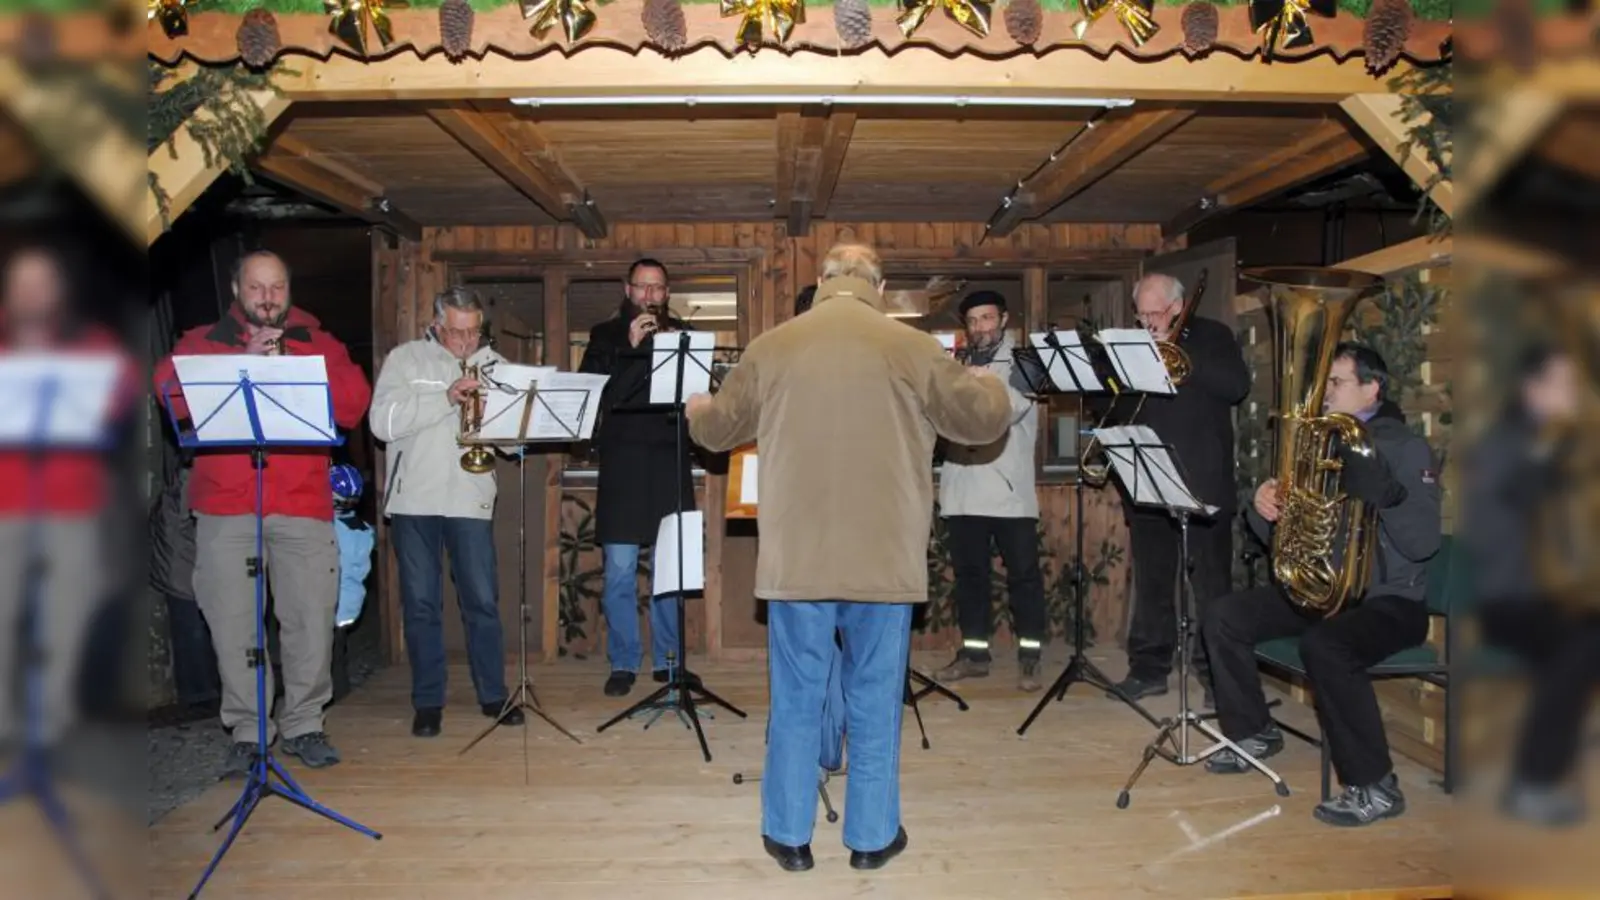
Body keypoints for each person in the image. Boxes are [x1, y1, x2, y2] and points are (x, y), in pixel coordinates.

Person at [686, 242, 1012, 872]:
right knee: (874, 697)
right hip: (882, 563)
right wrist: (990, 383)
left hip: (798, 563)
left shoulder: (773, 346)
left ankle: (788, 835)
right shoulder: (913, 348)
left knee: (798, 695)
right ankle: (870, 838)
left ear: (823, 279)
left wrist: (698, 405)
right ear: (879, 285)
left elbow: (716, 430)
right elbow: (979, 424)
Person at [1201, 343, 1440, 828]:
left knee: (1327, 647)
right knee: (1224, 617)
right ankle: (1254, 732)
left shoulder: (1404, 448)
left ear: (1372, 388)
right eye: (1326, 382)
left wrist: (1387, 496)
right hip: (1324, 591)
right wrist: (1263, 509)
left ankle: (1375, 785)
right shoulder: (1320, 443)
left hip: (1389, 601)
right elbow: (1285, 542)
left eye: (1337, 382)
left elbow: (1422, 544)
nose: (1325, 392)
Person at [152, 249, 371, 775]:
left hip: (302, 506)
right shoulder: (200, 342)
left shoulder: (318, 343)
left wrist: (291, 365)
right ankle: (250, 731)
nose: (268, 298)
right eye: (256, 288)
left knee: (309, 622)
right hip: (227, 509)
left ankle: (303, 724)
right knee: (233, 626)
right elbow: (170, 392)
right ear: (236, 292)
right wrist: (242, 362)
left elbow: (353, 403)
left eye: (276, 288)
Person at [0, 245, 138, 749]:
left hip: (73, 503)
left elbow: (122, 391)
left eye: (42, 283)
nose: (32, 294)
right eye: (22, 284)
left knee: (68, 616)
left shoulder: (89, 339)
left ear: (58, 292)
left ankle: (50, 725)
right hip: (4, 502)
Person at [368, 286, 521, 738]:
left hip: (470, 497)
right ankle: (428, 701)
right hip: (414, 499)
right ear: (437, 325)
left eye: (474, 333)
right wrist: (446, 397)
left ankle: (493, 695)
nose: (466, 343)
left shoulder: (497, 366)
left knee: (482, 602)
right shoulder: (406, 360)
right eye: (456, 333)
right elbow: (381, 424)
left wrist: (515, 423)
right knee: (420, 605)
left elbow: (512, 445)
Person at [1464, 343, 1598, 827]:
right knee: (1579, 644)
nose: (1574, 394)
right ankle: (1533, 783)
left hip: (1561, 595)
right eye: (1564, 383)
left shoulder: (1564, 443)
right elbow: (1506, 524)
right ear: (1532, 388)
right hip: (1510, 600)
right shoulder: (1504, 443)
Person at [1111, 272, 1251, 703]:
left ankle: (1217, 679)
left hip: (1202, 482)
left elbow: (1236, 387)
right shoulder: (1132, 344)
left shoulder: (1213, 335)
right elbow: (1116, 404)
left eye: (1158, 312)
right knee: (1152, 583)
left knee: (1211, 587)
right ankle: (1149, 668)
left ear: (1178, 305)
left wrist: (1179, 357)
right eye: (1143, 313)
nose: (1149, 321)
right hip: (1150, 477)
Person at [578, 258, 697, 697]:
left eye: (658, 288)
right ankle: (624, 661)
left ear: (667, 293)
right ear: (627, 290)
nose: (650, 295)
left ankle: (670, 662)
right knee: (621, 572)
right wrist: (630, 347)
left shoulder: (682, 334)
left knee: (671, 570)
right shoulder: (604, 335)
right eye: (642, 287)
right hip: (624, 462)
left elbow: (697, 394)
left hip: (669, 460)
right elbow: (596, 398)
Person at [933, 290, 1049, 692]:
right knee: (969, 577)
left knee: (1024, 577)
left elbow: (1008, 411)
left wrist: (968, 386)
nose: (980, 326)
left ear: (1003, 319)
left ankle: (1030, 657)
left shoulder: (1025, 361)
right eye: (973, 320)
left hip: (1008, 489)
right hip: (962, 488)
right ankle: (974, 655)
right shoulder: (954, 363)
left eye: (987, 318)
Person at [329, 463, 373, 704]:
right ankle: (341, 696)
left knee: (329, 660)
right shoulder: (364, 530)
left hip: (335, 603)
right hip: (352, 603)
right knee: (339, 654)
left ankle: (338, 701)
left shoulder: (333, 529)